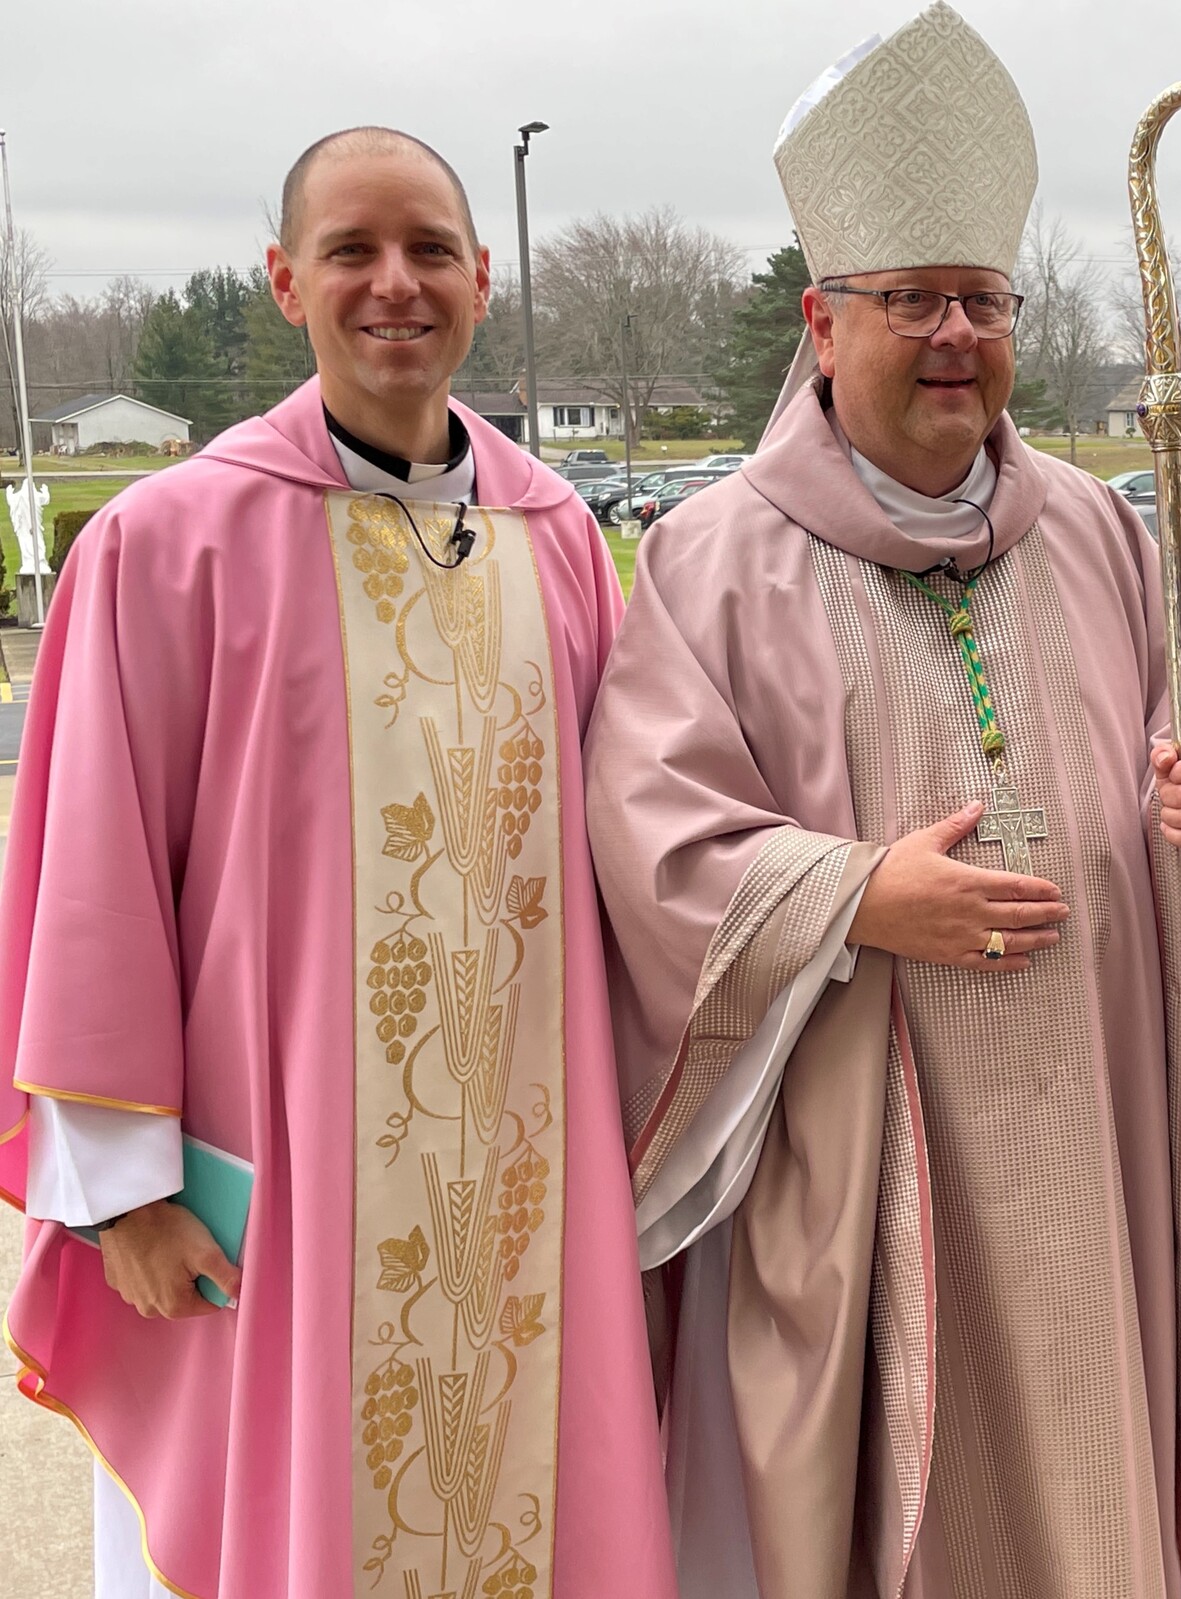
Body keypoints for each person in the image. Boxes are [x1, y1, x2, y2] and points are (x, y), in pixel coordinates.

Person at [584, 7, 1181, 1597]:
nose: (957, 333)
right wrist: (855, 895)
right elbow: (659, 840)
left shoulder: (1096, 530)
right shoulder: (713, 557)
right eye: (912, 300)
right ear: (823, 325)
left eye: (984, 299)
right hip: (875, 1139)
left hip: (1098, 1123)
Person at [0, 128, 675, 1599]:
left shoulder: (557, 537)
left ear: (481, 278)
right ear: (284, 281)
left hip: (522, 1176)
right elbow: (94, 878)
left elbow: (636, 835)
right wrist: (122, 1195)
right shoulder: (171, 542)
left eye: (429, 250)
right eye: (351, 252)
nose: (394, 285)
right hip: (279, 1180)